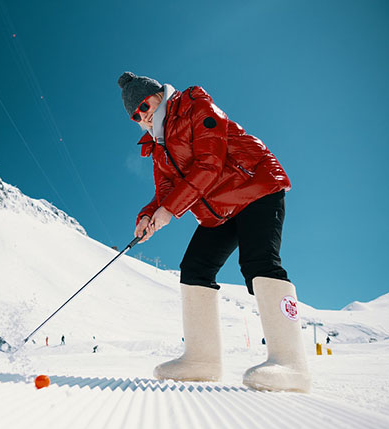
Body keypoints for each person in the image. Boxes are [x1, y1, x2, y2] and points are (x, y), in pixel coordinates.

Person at [118, 71, 310, 392]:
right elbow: (165, 190)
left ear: (158, 96)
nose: (143, 116)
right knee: (195, 268)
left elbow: (210, 164)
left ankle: (291, 363)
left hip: (256, 186)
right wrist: (149, 214)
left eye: (144, 106)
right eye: (135, 115)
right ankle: (201, 361)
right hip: (219, 208)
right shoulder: (158, 145)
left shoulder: (195, 107)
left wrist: (170, 210)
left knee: (258, 262)